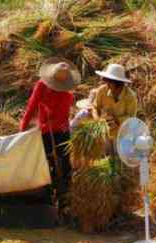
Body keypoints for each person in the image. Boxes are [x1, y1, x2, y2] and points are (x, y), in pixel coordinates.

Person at [20, 58, 81, 213]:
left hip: (57, 132)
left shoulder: (67, 96)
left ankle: (64, 200)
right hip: (50, 132)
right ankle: (49, 197)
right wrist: (22, 130)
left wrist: (28, 128)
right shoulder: (42, 86)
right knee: (48, 164)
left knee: (62, 165)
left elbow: (59, 118)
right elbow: (31, 108)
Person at [91, 64, 137, 153]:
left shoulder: (130, 96)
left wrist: (115, 120)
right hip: (105, 131)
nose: (107, 84)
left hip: (122, 132)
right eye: (106, 81)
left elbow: (131, 118)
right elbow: (95, 107)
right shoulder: (102, 90)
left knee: (119, 156)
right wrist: (97, 120)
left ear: (118, 83)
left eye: (109, 82)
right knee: (105, 154)